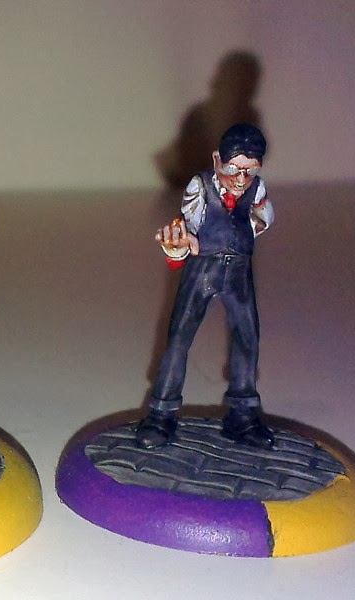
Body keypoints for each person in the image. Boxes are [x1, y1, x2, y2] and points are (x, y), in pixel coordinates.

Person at [137, 124, 274, 450]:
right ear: (217, 161)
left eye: (250, 170)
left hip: (238, 272)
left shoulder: (256, 190)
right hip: (202, 271)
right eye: (233, 169)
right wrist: (182, 245)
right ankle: (161, 414)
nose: (240, 179)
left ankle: (242, 414)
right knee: (179, 338)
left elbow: (263, 218)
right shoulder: (200, 187)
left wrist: (244, 232)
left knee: (247, 338)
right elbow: (188, 226)